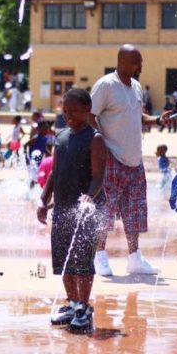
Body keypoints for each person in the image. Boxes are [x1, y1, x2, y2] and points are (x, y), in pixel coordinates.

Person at [89, 44, 172, 276]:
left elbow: (137, 115)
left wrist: (156, 120)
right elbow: (90, 114)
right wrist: (101, 143)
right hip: (112, 156)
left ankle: (135, 258)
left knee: (134, 211)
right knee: (105, 210)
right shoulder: (106, 85)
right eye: (137, 62)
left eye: (141, 61)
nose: (140, 66)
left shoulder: (135, 87)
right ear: (122, 62)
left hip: (135, 158)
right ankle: (100, 256)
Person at [37, 88, 107, 333]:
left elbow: (99, 176)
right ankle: (72, 303)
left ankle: (84, 307)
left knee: (82, 260)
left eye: (74, 111)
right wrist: (43, 199)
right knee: (64, 260)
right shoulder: (62, 136)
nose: (69, 116)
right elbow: (55, 173)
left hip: (86, 211)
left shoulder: (94, 138)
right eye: (65, 111)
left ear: (87, 111)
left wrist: (89, 196)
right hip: (63, 207)